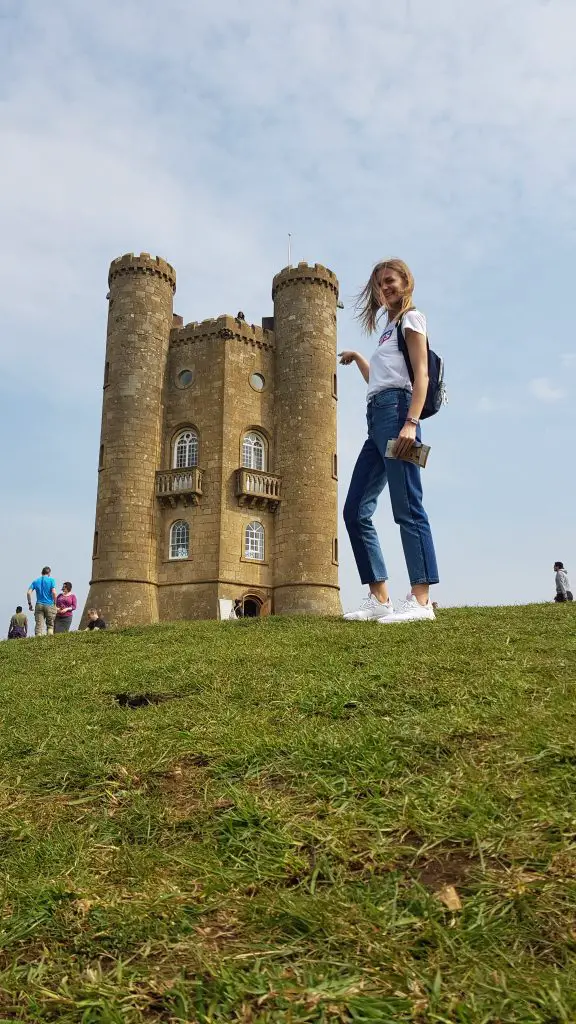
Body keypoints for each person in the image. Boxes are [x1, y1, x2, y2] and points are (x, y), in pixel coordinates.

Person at [340, 258, 439, 623]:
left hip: (398, 416)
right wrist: (361, 359)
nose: (385, 288)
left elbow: (421, 375)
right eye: (380, 284)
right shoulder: (387, 328)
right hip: (376, 418)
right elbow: (380, 380)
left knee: (408, 506)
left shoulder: (413, 319)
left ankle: (421, 600)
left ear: (406, 281)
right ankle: (379, 598)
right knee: (355, 510)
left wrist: (411, 422)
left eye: (391, 281)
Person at [27, 566, 57, 636]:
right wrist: (55, 603)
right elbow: (54, 593)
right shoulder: (51, 580)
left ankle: (38, 640)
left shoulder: (36, 581)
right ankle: (50, 639)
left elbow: (28, 593)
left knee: (39, 625)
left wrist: (30, 604)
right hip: (49, 604)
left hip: (39, 604)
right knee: (50, 625)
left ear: (41, 573)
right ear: (49, 573)